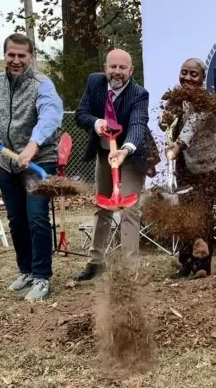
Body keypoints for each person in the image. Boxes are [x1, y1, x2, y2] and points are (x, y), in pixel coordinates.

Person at [0, 33, 63, 301]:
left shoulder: (42, 85)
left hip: (38, 160)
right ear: (5, 55)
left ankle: (41, 277)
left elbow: (51, 115)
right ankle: (25, 270)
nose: (16, 60)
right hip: (8, 163)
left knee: (37, 218)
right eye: (11, 55)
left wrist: (32, 145)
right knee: (16, 220)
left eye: (21, 56)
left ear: (31, 56)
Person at [72, 49, 153, 281]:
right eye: (113, 67)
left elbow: (138, 124)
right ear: (105, 67)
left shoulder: (139, 94)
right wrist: (96, 122)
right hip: (104, 153)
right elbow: (81, 114)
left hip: (131, 155)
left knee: (129, 209)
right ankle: (95, 262)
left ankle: (129, 269)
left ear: (131, 71)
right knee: (103, 207)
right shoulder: (95, 82)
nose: (117, 72)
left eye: (122, 68)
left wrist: (126, 150)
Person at [162, 58, 216, 279]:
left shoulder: (205, 101)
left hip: (208, 164)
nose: (187, 77)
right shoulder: (176, 98)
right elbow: (170, 123)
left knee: (201, 213)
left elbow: (191, 127)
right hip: (184, 165)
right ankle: (186, 263)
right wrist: (166, 121)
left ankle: (203, 264)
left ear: (202, 78)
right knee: (184, 213)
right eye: (184, 72)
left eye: (193, 74)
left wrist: (177, 147)